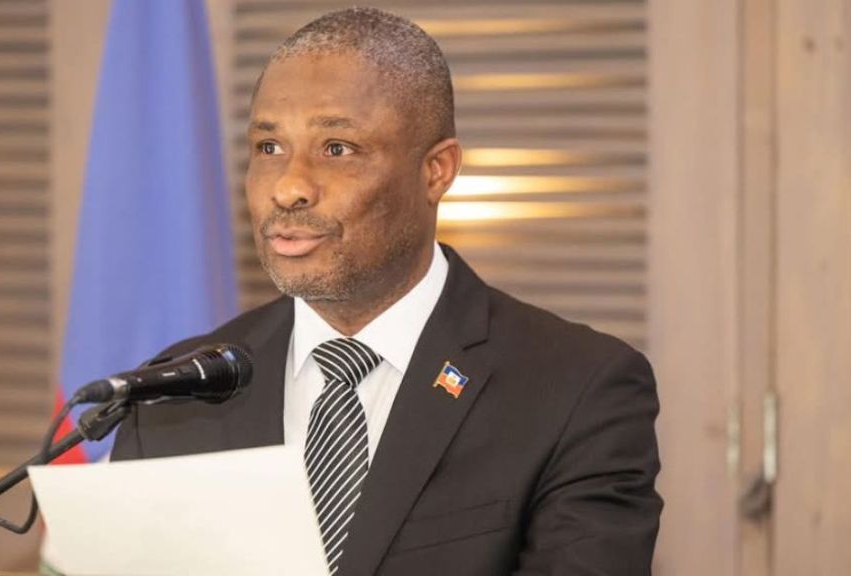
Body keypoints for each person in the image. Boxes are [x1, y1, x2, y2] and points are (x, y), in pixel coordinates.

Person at [112, 7, 661, 575]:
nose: (289, 187)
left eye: (337, 148)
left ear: (436, 171)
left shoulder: (576, 389)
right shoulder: (175, 396)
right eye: (269, 147)